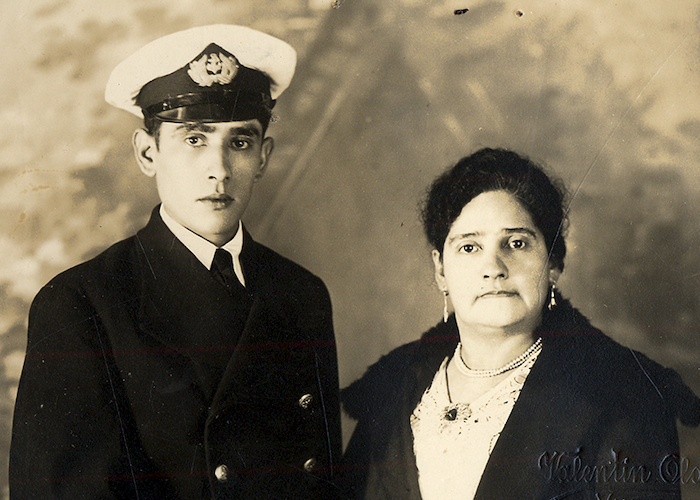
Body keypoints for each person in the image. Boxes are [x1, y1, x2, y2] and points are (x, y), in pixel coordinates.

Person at [10, 25, 341, 500]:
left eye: (240, 142)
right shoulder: (82, 305)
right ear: (148, 152)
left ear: (264, 157)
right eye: (193, 140)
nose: (219, 169)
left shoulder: (302, 293)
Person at [340, 148, 700, 500]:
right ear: (440, 271)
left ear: (554, 262)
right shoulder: (393, 388)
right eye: (469, 247)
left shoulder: (624, 394)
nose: (493, 266)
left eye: (516, 243)